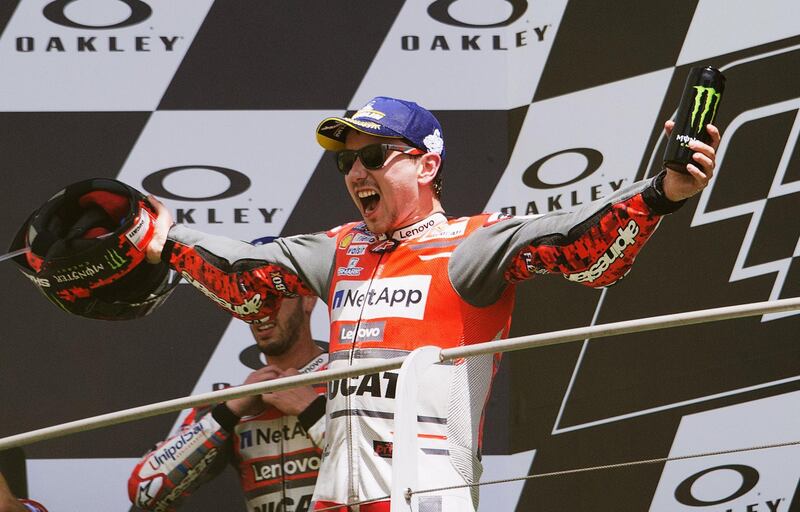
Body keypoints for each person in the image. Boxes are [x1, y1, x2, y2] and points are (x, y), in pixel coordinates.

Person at [143, 96, 720, 511]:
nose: (356, 172)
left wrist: (661, 192)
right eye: (346, 161)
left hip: (424, 498)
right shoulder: (339, 248)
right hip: (334, 499)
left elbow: (580, 248)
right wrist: (161, 239)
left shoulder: (473, 243)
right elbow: (247, 276)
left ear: (427, 164)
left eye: (374, 156)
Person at [128, 294, 328, 512]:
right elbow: (145, 490)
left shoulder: (349, 377)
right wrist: (228, 413)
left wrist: (313, 411)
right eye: (250, 299)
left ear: (308, 299)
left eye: (272, 295)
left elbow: (371, 467)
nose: (259, 309)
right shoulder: (234, 403)